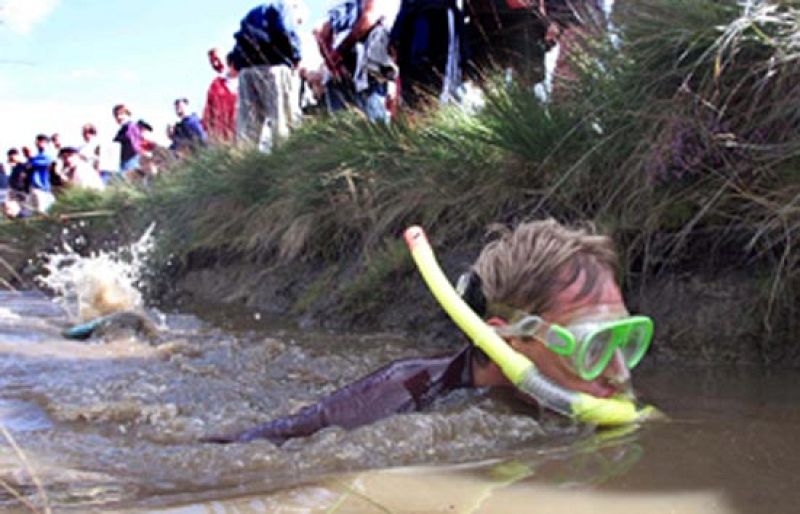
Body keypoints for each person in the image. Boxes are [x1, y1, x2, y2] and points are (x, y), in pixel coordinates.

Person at [207, 219, 653, 445]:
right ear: (506, 342)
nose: (619, 372)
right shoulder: (398, 396)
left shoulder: (592, 394)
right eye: (593, 346)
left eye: (626, 340)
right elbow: (251, 448)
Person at [229, 1, 305, 152]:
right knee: (282, 121)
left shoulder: (253, 13)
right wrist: (296, 56)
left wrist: (238, 63)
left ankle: (245, 161)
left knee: (247, 129)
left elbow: (239, 41)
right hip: (273, 69)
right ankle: (286, 157)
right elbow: (286, 30)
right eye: (299, 22)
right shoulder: (284, 7)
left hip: (246, 72)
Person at [317, 0, 400, 122]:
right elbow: (369, 18)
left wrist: (332, 62)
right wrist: (341, 51)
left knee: (342, 125)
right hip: (365, 65)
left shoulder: (336, 5)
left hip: (339, 70)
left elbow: (321, 34)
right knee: (374, 125)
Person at [390, 0, 469, 109]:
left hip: (435, 23)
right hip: (419, 25)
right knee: (419, 85)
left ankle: (426, 109)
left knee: (432, 84)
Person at [203, 49, 239, 143]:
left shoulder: (244, 78)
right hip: (222, 138)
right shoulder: (215, 85)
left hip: (243, 132)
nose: (215, 64)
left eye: (217, 59)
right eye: (212, 62)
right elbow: (208, 113)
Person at [112, 104, 144, 173]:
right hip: (124, 161)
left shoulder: (131, 126)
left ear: (128, 114)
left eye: (121, 114)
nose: (118, 117)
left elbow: (129, 138)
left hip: (131, 160)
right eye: (116, 115)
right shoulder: (122, 129)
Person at [28, 134, 55, 212]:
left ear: (47, 143)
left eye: (41, 141)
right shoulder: (36, 156)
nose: (38, 143)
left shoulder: (49, 155)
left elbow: (48, 162)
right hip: (35, 187)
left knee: (42, 211)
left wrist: (31, 161)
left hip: (44, 188)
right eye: (38, 141)